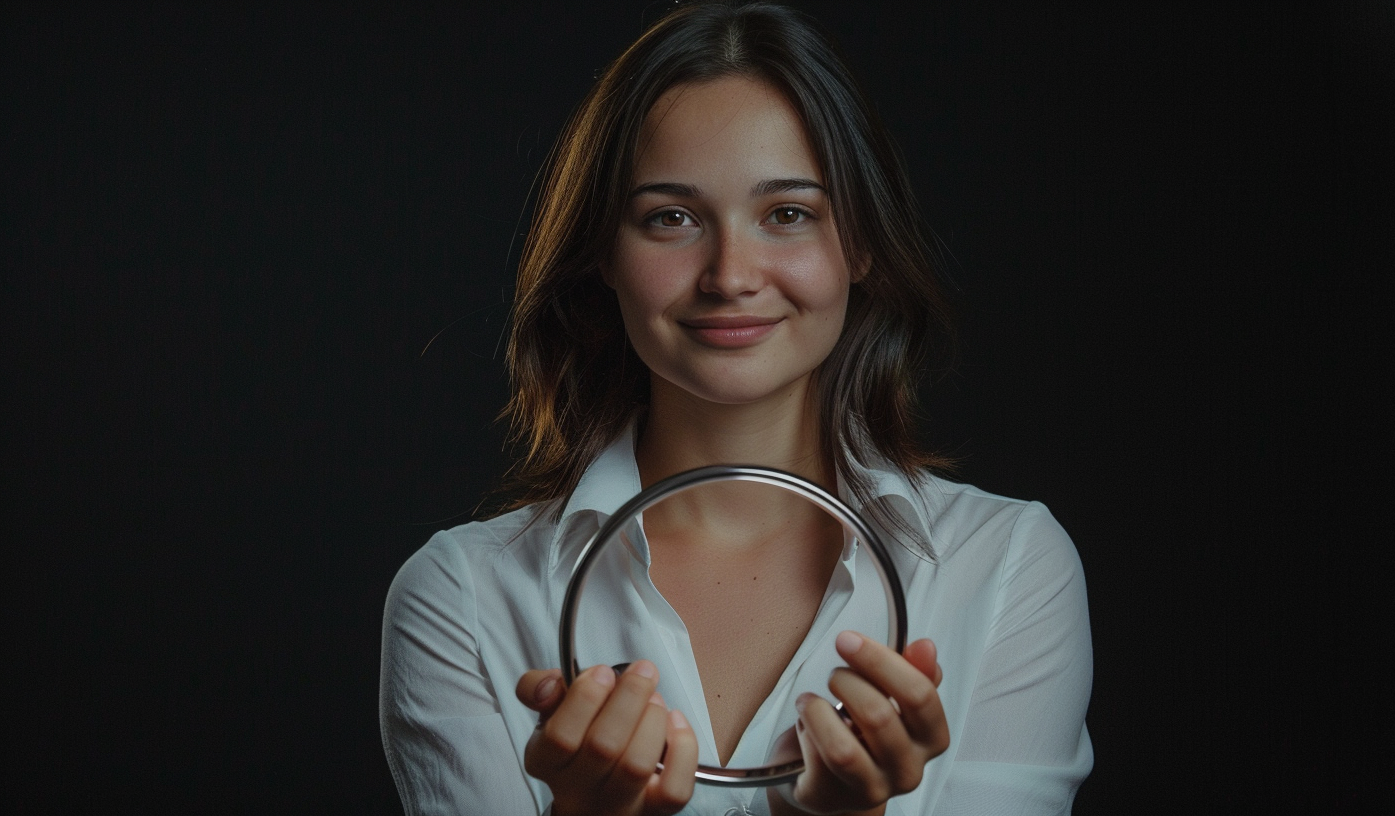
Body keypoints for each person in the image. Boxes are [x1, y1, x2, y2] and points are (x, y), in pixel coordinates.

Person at [380, 3, 1093, 814]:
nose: (731, 274)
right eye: (671, 218)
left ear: (858, 243)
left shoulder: (1003, 570)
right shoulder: (462, 597)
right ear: (604, 254)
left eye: (787, 214)